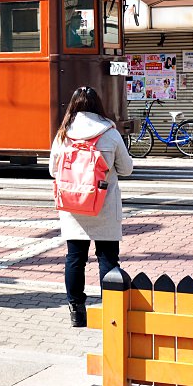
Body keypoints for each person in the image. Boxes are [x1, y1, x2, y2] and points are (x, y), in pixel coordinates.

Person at [49, 86, 133, 328]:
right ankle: (112, 313)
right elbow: (126, 169)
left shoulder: (64, 134)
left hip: (73, 205)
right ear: (98, 106)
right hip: (104, 205)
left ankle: (77, 311)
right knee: (108, 258)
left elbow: (53, 170)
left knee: (75, 258)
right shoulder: (110, 132)